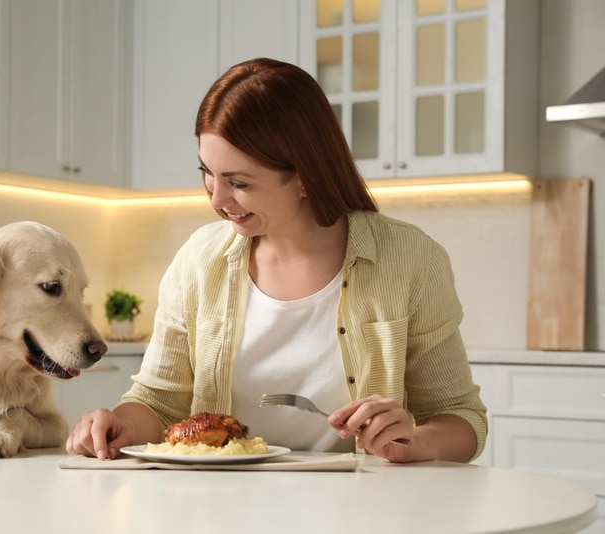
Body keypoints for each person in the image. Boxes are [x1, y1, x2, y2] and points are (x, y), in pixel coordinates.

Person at [67, 58, 487, 463]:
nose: (216, 198)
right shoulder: (199, 261)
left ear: (305, 176)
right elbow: (157, 404)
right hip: (221, 506)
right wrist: (118, 424)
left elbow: (462, 418)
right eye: (207, 172)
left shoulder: (410, 260)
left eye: (240, 183)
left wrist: (416, 440)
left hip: (360, 508)